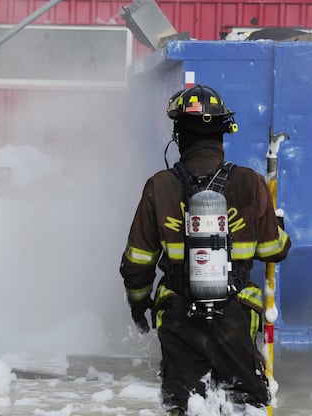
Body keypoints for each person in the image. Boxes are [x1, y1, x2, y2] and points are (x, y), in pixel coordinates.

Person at [119, 84, 291, 415]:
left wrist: (139, 305)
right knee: (244, 405)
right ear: (223, 132)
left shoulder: (160, 185)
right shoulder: (250, 182)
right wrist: (277, 228)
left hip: (179, 315)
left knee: (183, 406)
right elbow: (273, 250)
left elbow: (137, 262)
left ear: (178, 135)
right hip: (236, 315)